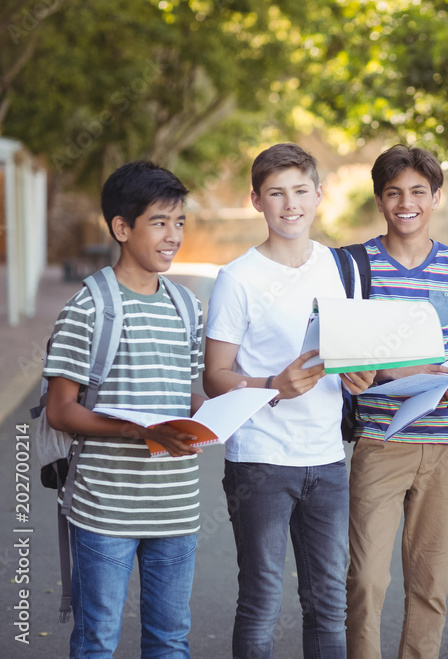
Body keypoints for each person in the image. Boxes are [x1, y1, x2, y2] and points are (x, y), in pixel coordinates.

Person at [204, 143, 375, 659]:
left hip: (326, 458)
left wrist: (358, 375)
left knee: (327, 601)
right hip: (259, 458)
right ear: (257, 201)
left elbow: (352, 353)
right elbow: (215, 378)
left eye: (300, 190)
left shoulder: (340, 269)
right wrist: (271, 386)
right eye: (276, 193)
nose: (290, 203)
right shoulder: (238, 278)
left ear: (319, 195)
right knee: (262, 599)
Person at [43, 161, 205, 657]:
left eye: (179, 222)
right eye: (159, 222)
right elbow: (59, 411)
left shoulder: (187, 305)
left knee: (169, 640)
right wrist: (137, 431)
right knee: (97, 641)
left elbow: (188, 394)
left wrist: (224, 410)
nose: (173, 235)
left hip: (177, 509)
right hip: (104, 510)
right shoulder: (90, 306)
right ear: (121, 227)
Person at [345, 144, 448, 659]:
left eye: (418, 192)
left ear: (436, 197)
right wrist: (363, 374)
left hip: (445, 441)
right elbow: (342, 353)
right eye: (394, 193)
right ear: (380, 201)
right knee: (365, 579)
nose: (407, 203)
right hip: (380, 439)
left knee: (429, 585)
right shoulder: (354, 270)